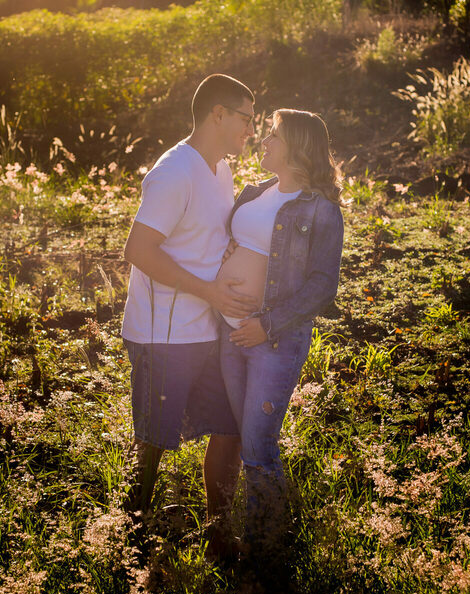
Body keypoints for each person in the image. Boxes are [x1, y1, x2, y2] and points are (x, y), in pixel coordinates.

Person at [120, 74, 257, 551]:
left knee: (230, 427)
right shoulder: (174, 172)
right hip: (163, 332)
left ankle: (219, 537)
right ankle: (128, 539)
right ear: (218, 114)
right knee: (153, 441)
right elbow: (138, 249)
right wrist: (209, 291)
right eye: (245, 119)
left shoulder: (220, 169)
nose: (250, 130)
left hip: (208, 328)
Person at [216, 109, 344, 549]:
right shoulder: (253, 193)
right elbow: (231, 243)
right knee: (242, 437)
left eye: (273, 135)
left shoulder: (320, 209)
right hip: (230, 334)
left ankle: (267, 547)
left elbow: (324, 285)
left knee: (258, 447)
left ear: (297, 146)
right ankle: (241, 529)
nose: (263, 140)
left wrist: (264, 324)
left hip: (273, 341)